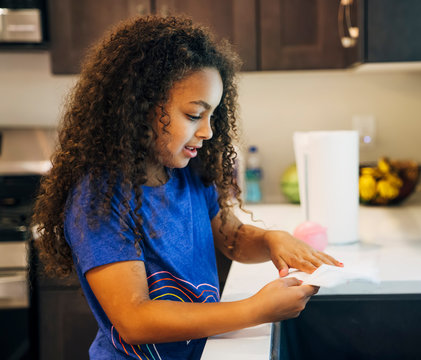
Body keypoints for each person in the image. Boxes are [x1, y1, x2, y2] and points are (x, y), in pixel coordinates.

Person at [32, 15, 342, 360]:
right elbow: (134, 318)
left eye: (213, 116)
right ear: (139, 108)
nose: (208, 131)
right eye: (195, 115)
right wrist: (255, 308)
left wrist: (272, 241)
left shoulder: (188, 173)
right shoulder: (100, 197)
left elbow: (232, 237)